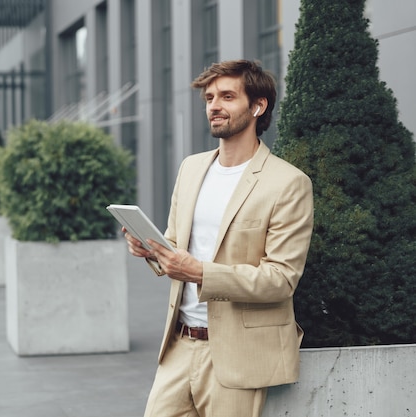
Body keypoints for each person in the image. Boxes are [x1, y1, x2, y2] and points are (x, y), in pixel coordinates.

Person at [124, 59, 314, 417]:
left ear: (258, 106)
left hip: (238, 355)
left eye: (227, 96)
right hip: (179, 346)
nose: (214, 105)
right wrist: (148, 249)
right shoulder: (191, 168)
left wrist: (199, 273)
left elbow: (281, 279)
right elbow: (175, 245)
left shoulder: (288, 183)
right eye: (210, 97)